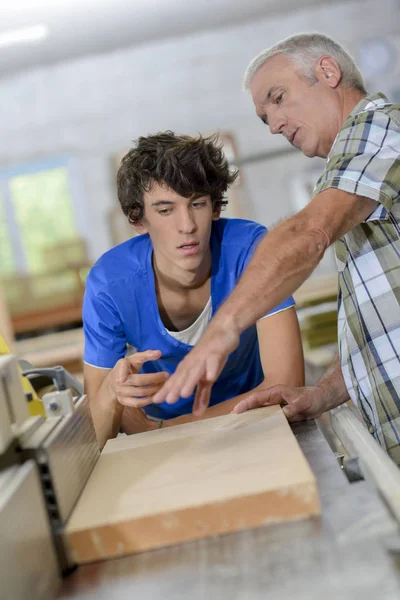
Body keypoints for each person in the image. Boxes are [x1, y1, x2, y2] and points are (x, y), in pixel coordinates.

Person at [153, 34, 400, 466]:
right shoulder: (353, 168)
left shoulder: (378, 129)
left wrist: (223, 328)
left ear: (327, 72)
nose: (273, 124)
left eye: (278, 98)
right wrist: (323, 393)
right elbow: (383, 319)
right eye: (264, 116)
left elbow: (308, 233)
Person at [83, 131, 304, 448]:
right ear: (138, 219)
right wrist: (112, 395)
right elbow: (96, 428)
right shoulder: (109, 284)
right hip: (164, 442)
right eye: (165, 210)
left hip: (255, 424)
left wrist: (163, 430)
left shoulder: (251, 250)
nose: (186, 225)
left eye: (197, 203)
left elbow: (286, 387)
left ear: (215, 208)